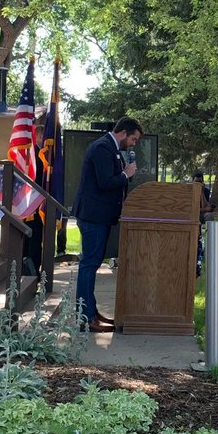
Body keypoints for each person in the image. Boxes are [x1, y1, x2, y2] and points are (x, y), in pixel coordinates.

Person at [72, 116, 142, 332]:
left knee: (92, 264)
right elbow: (105, 182)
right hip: (93, 216)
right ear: (123, 133)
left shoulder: (110, 148)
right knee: (89, 264)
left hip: (100, 216)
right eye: (133, 139)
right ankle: (85, 317)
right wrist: (125, 174)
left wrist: (124, 173)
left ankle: (91, 311)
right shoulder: (102, 148)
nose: (133, 144)